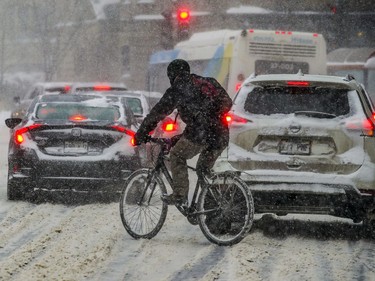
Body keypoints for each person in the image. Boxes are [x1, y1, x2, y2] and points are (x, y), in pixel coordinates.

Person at [134, 59, 232, 205]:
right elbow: (227, 103)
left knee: (177, 155)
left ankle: (180, 195)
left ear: (171, 75)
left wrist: (141, 133)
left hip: (201, 134)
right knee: (202, 170)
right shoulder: (207, 82)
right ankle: (218, 205)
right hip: (220, 134)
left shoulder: (177, 90)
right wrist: (208, 117)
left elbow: (157, 113)